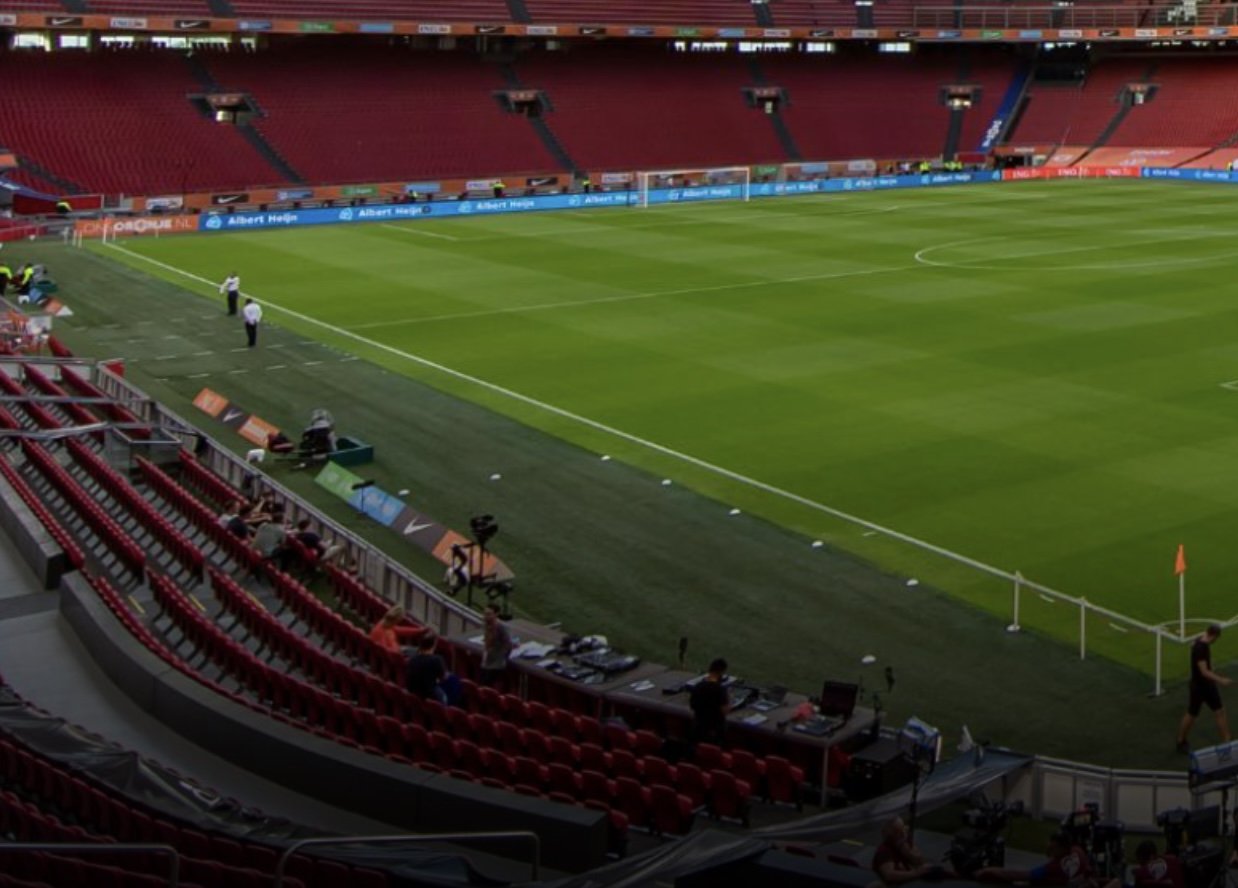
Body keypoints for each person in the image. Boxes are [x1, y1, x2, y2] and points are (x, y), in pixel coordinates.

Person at [1177, 623, 1231, 753]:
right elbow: (1204, 672)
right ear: (1214, 635)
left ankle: (1227, 740)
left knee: (1218, 711)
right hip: (1202, 687)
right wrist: (1221, 680)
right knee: (1193, 714)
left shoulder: (1200, 641)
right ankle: (1227, 742)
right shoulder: (1201, 648)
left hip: (1201, 685)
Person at [977, 831, 1093, 886]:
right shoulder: (1078, 851)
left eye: (1053, 848)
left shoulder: (1052, 868)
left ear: (1062, 848)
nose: (1049, 850)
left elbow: (1018, 875)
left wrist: (990, 870)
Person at [872, 816, 938, 885]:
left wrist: (906, 851)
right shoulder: (884, 851)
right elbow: (889, 875)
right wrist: (916, 873)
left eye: (903, 828)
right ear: (889, 835)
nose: (903, 834)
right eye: (898, 832)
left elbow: (920, 861)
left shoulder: (905, 842)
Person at [689, 657, 730, 745]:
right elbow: (725, 710)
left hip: (698, 727)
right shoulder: (720, 689)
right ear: (721, 672)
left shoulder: (698, 686)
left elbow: (692, 705)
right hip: (714, 731)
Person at [406, 634, 449, 703]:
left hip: (413, 690)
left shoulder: (413, 659)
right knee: (451, 682)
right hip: (429, 694)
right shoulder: (437, 660)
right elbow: (443, 677)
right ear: (433, 645)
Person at [480, 603, 512, 688]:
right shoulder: (487, 625)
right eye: (485, 614)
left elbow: (508, 644)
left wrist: (503, 658)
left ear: (496, 614)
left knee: (488, 687)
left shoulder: (501, 627)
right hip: (487, 661)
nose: (485, 616)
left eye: (489, 614)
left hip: (496, 665)